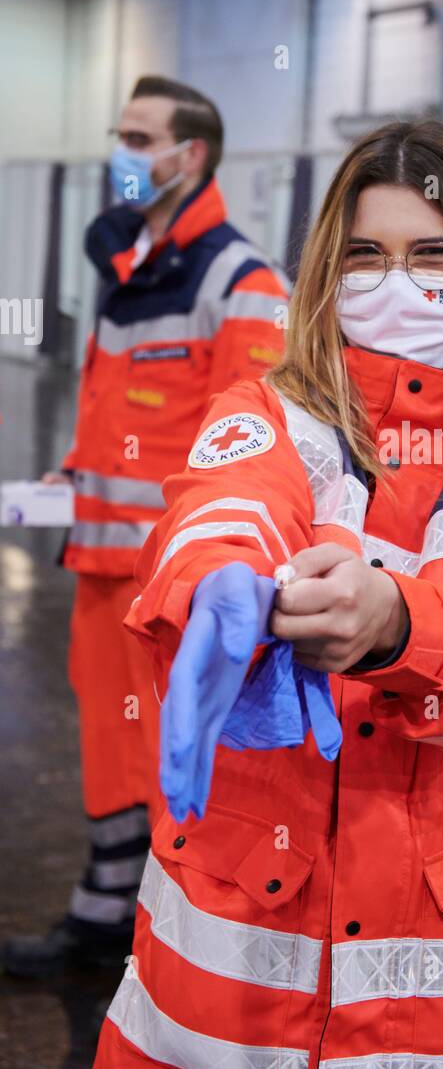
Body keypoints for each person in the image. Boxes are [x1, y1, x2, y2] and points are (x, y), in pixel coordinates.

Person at [90, 117, 443, 1069]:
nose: (397, 283)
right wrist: (221, 582)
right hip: (225, 1003)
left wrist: (397, 624)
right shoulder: (271, 415)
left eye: (434, 254)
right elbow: (225, 503)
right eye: (365, 257)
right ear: (324, 276)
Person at [2, 76, 289, 977]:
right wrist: (73, 475)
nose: (122, 153)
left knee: (178, 751)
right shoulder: (128, 272)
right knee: (110, 743)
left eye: (138, 136)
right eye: (120, 134)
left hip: (173, 587)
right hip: (98, 564)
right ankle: (104, 913)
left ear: (189, 154)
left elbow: (247, 449)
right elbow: (119, 415)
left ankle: (179, 944)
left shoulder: (244, 284)